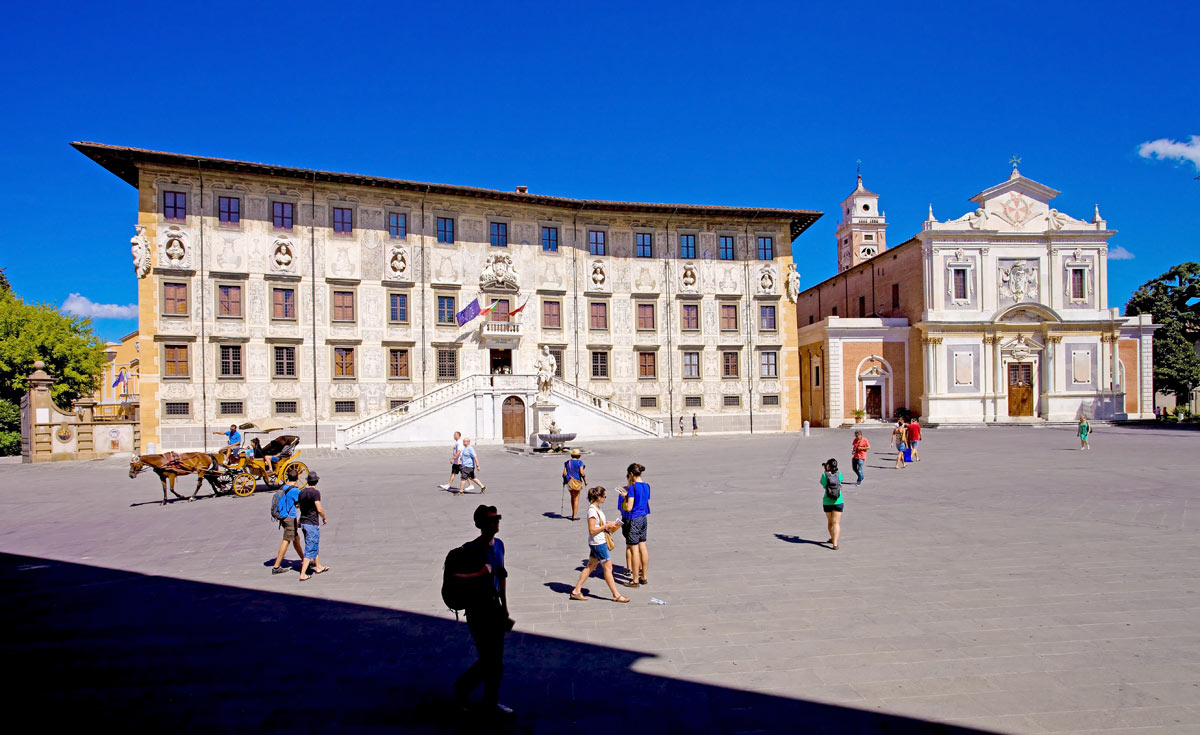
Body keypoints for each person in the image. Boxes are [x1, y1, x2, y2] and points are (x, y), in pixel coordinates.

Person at [453, 505, 514, 717]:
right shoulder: (470, 550)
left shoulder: (499, 546)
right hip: (477, 610)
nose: (497, 522)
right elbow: (455, 578)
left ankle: (490, 702)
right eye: (492, 519)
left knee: (496, 661)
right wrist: (478, 574)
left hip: (494, 608)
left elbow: (502, 575)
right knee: (489, 659)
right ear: (481, 524)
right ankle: (462, 687)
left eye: (498, 518)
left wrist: (505, 606)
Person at [569, 486, 629, 603]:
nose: (605, 498)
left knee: (590, 566)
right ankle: (616, 595)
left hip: (597, 542)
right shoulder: (592, 510)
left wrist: (608, 524)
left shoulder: (597, 508)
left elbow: (597, 526)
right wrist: (606, 526)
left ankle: (576, 591)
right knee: (608, 568)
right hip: (598, 543)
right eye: (604, 496)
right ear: (598, 497)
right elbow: (591, 530)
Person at [621, 463, 651, 587]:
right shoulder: (647, 486)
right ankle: (643, 576)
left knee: (634, 549)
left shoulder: (633, 488)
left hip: (634, 519)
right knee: (643, 546)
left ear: (632, 474)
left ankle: (635, 580)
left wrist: (625, 497)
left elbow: (628, 507)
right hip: (644, 518)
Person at [270, 465, 304, 574]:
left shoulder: (283, 487)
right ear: (297, 478)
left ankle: (304, 560)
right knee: (286, 540)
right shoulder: (295, 491)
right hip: (290, 517)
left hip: (282, 516)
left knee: (296, 539)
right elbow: (300, 504)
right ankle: (276, 566)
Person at [297, 471, 330, 581]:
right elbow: (319, 508)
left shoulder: (301, 492)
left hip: (303, 522)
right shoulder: (315, 493)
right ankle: (303, 573)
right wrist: (324, 517)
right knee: (310, 547)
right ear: (316, 481)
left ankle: (318, 566)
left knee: (312, 542)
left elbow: (300, 507)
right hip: (311, 522)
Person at [820, 458, 845, 550]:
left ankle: (832, 538)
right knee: (836, 523)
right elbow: (840, 482)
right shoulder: (839, 475)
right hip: (838, 501)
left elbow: (823, 484)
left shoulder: (824, 475)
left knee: (830, 522)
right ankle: (835, 543)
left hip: (827, 501)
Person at [562, 448, 586, 521]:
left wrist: (565, 480)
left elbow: (564, 473)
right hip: (577, 482)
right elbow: (582, 473)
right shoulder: (580, 463)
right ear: (579, 456)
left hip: (569, 481)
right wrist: (585, 480)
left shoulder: (567, 462)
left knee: (572, 498)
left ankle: (573, 514)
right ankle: (574, 516)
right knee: (576, 499)